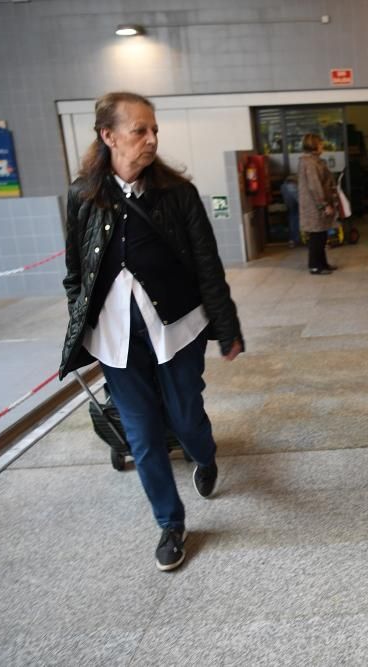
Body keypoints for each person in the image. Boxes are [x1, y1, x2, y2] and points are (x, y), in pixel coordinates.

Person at [58, 91, 243, 572]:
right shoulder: (83, 196)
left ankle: (203, 455)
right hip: (115, 338)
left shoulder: (177, 195)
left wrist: (227, 328)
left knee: (185, 417)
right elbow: (75, 275)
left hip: (177, 327)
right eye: (139, 130)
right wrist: (79, 330)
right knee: (141, 435)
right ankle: (170, 524)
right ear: (108, 135)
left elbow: (207, 265)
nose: (150, 139)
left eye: (154, 129)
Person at [297, 133, 338, 275]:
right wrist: (324, 204)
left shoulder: (315, 161)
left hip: (317, 204)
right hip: (314, 206)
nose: (322, 146)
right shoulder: (310, 163)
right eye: (320, 144)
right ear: (313, 145)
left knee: (321, 235)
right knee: (316, 236)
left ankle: (323, 263)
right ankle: (315, 266)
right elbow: (314, 186)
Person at [280, 174, 300, 247]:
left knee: (292, 217)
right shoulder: (293, 185)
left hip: (289, 202)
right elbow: (298, 198)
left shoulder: (283, 186)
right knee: (295, 218)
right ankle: (295, 239)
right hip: (295, 202)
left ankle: (292, 240)